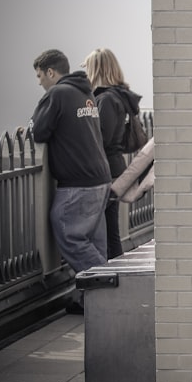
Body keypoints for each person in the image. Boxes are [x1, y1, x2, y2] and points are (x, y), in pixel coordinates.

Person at [30, 49, 112, 314]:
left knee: (68, 231)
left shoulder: (57, 94)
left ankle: (113, 289)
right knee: (93, 241)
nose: (39, 81)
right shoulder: (84, 92)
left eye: (40, 75)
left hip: (78, 182)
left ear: (51, 72)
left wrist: (29, 126)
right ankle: (88, 300)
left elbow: (40, 130)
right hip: (100, 177)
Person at [82, 48, 143, 259]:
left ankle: (113, 279)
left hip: (106, 169)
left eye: (87, 67)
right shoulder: (119, 96)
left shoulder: (106, 99)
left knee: (106, 233)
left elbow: (102, 138)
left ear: (96, 69)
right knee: (110, 230)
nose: (85, 73)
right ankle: (116, 276)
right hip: (114, 168)